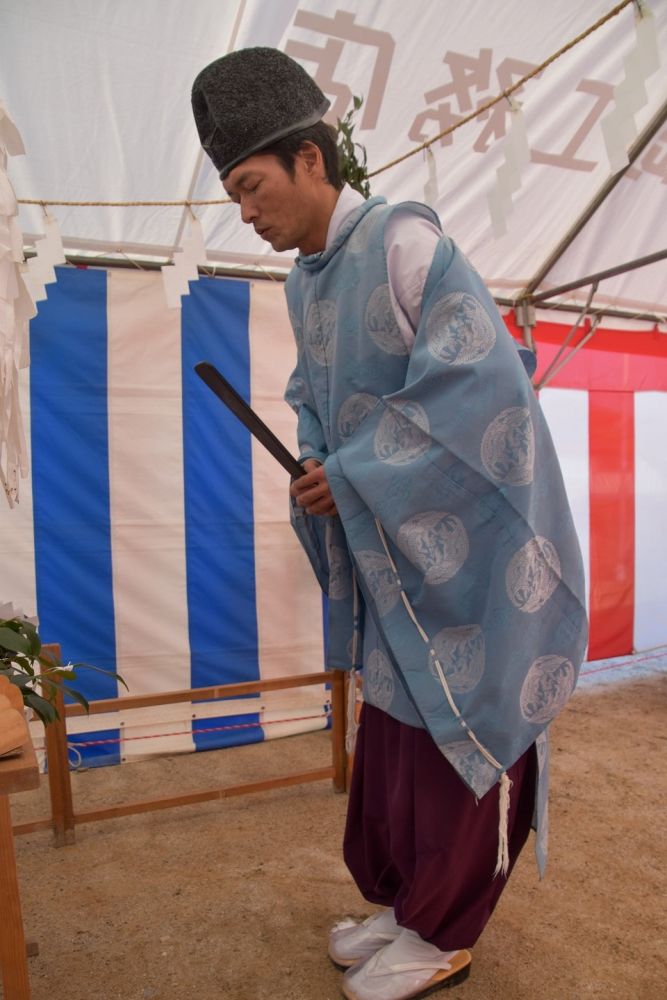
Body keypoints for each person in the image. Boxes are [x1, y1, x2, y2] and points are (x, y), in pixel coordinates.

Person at [191, 48, 588, 1000]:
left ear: (312, 160)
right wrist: (321, 464)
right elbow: (315, 396)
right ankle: (411, 905)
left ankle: (447, 933)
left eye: (252, 187)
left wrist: (355, 469)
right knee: (399, 739)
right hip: (390, 553)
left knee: (459, 730)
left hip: (467, 555)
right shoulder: (304, 283)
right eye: (234, 196)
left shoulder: (407, 242)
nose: (247, 213)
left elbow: (478, 392)